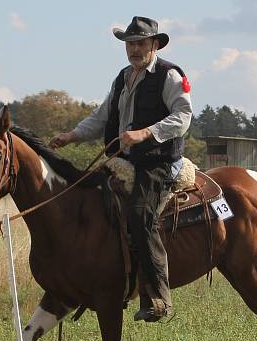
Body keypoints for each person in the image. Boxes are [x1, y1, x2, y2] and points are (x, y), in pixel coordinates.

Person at [50, 16, 192, 322]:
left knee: (141, 214)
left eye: (140, 43)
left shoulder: (170, 75)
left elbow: (183, 116)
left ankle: (158, 298)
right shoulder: (123, 77)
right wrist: (72, 136)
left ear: (155, 45)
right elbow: (102, 116)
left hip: (158, 162)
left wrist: (145, 133)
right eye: (130, 44)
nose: (134, 49)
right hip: (124, 162)